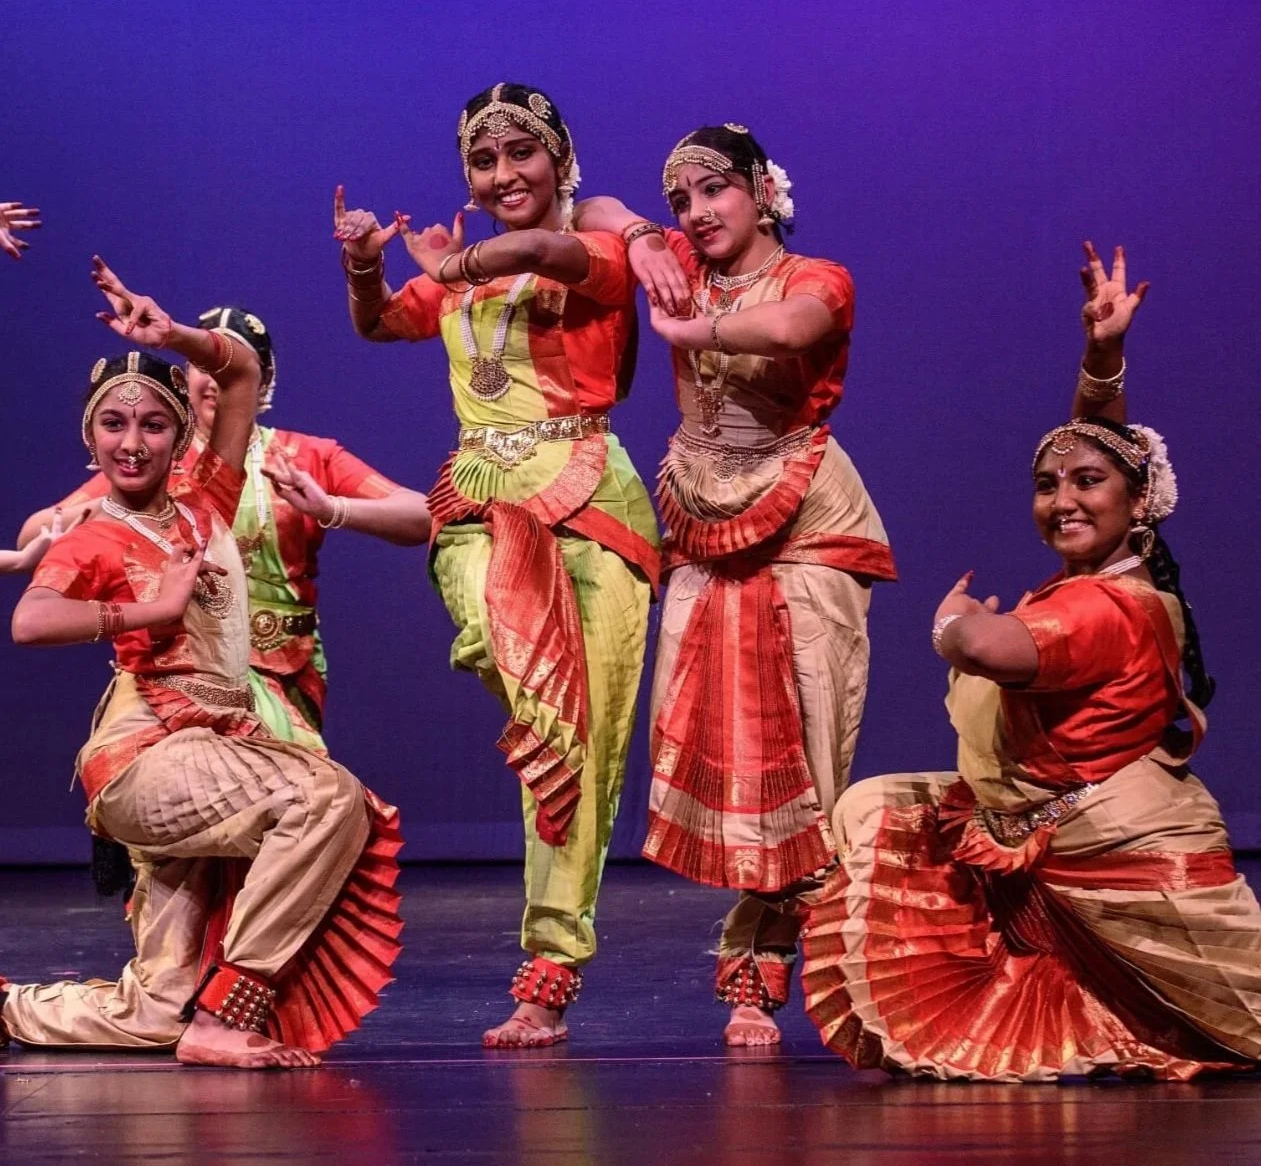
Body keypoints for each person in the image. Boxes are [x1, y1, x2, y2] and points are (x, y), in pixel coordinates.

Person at [801, 244, 1261, 1080]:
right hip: (1056, 831)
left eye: (1085, 485)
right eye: (1046, 485)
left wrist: (953, 624)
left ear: (1137, 506)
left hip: (1126, 854)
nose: (1061, 499)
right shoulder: (1109, 575)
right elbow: (1101, 452)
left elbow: (987, 647)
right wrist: (1100, 359)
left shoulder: (1100, 606)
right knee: (887, 810)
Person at [1, 259, 403, 1068]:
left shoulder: (207, 500)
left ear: (182, 432)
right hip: (142, 756)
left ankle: (13, 1007)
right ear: (90, 436)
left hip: (209, 749)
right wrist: (150, 608)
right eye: (113, 425)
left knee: (155, 1005)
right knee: (326, 798)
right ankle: (226, 1016)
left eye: (154, 423)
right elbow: (30, 621)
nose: (133, 442)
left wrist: (175, 334)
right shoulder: (93, 533)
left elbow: (241, 367)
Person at [334, 83, 661, 1048]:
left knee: (580, 745)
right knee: (516, 661)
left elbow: (542, 251)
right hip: (479, 490)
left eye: (522, 154)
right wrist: (362, 267)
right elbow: (379, 321)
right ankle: (535, 708)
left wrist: (455, 259)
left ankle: (551, 968)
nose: (503, 175)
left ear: (561, 161)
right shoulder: (454, 276)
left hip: (592, 497)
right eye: (484, 161)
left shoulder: (598, 251)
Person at [575, 124, 896, 1046]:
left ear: (761, 191)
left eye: (711, 191)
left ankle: (799, 970)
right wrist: (640, 237)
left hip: (807, 524)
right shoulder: (677, 255)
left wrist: (690, 326)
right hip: (707, 519)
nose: (695, 213)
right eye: (680, 200)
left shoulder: (813, 278)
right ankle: (760, 962)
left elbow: (797, 329)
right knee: (723, 737)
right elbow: (592, 206)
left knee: (803, 750)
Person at [20, 307, 431, 751]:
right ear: (184, 378)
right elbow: (36, 537)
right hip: (181, 668)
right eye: (202, 364)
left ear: (263, 378)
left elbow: (421, 515)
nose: (213, 378)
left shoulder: (304, 457)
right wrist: (118, 514)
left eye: (224, 364)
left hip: (287, 666)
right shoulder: (150, 465)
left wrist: (332, 508)